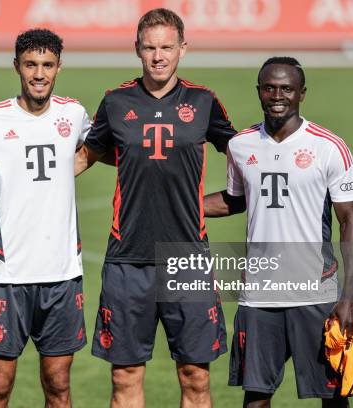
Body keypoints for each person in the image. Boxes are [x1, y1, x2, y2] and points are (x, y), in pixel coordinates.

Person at [75, 8, 236, 408]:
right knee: (125, 376)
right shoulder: (115, 102)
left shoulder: (203, 102)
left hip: (188, 257)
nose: (158, 56)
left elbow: (247, 158)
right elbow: (82, 159)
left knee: (195, 376)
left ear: (183, 48)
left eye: (167, 47)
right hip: (127, 260)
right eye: (149, 48)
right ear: (137, 50)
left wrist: (209, 208)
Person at [204, 57, 353, 407]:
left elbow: (350, 222)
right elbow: (235, 200)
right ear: (259, 91)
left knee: (332, 396)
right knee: (256, 396)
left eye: (287, 89)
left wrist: (349, 298)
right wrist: (184, 206)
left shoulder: (329, 147)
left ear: (301, 93)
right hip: (259, 296)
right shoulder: (241, 145)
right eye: (269, 87)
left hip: (316, 293)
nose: (277, 95)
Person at [0, 29, 90, 408]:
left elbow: (91, 151)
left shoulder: (74, 113)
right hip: (6, 276)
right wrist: (2, 180)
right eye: (31, 65)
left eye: (47, 65)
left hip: (61, 275)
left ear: (59, 67)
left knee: (58, 387)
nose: (39, 74)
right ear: (17, 66)